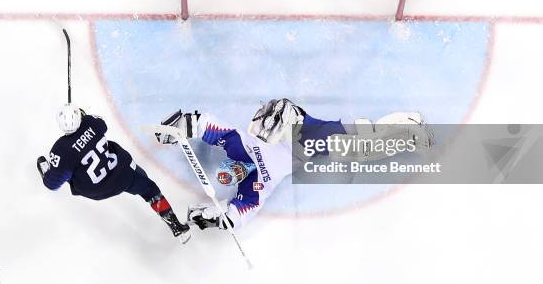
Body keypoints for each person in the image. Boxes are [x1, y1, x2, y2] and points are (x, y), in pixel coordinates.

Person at [157, 98, 432, 230]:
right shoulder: (255, 178)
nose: (236, 171)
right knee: (361, 144)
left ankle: (410, 130)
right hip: (310, 145)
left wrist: (182, 126)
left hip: (306, 132)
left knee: (358, 141)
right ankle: (410, 132)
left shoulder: (241, 144)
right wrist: (221, 219)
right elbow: (245, 209)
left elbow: (209, 125)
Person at [37, 104, 191, 244]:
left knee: (65, 171)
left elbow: (53, 184)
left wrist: (50, 171)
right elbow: (102, 123)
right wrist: (83, 117)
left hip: (95, 189)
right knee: (149, 189)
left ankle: (53, 170)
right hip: (121, 175)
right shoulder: (91, 124)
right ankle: (175, 225)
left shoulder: (60, 150)